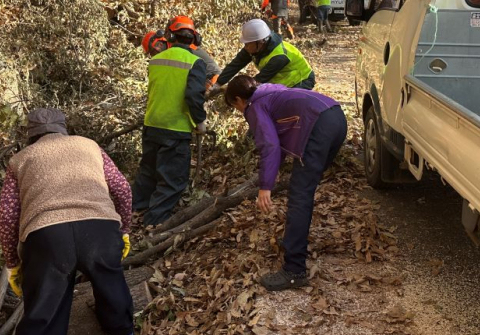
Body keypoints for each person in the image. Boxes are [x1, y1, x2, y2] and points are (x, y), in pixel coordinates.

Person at [0, 108, 134, 335]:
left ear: (30, 135)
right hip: (99, 229)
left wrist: (12, 264)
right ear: (64, 129)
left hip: (46, 237)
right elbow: (122, 189)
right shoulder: (89, 145)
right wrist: (124, 229)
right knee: (108, 279)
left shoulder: (21, 160)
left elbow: (6, 217)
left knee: (43, 314)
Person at [225, 76, 347, 290]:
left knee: (300, 195)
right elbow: (279, 140)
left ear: (238, 99)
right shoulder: (272, 92)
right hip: (336, 116)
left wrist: (265, 187)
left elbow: (269, 145)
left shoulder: (254, 106)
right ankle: (296, 240)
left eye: (235, 106)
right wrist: (275, 171)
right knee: (304, 188)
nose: (238, 111)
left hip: (318, 125)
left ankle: (294, 270)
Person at [132, 17, 208, 225]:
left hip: (152, 123)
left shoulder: (155, 60)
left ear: (169, 36)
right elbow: (193, 96)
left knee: (147, 170)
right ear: (194, 38)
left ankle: (134, 209)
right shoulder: (195, 62)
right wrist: (200, 120)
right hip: (175, 127)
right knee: (172, 179)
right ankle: (153, 223)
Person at [216, 19, 315, 90]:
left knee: (282, 106)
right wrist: (218, 83)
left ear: (261, 42)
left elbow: (258, 81)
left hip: (301, 81)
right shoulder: (254, 47)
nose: (245, 47)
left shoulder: (279, 56)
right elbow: (236, 64)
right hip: (281, 81)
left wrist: (232, 91)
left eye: (247, 44)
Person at [144, 16, 221, 90]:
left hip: (211, 82)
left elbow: (214, 71)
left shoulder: (188, 49)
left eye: (153, 52)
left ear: (158, 44)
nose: (154, 55)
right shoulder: (172, 55)